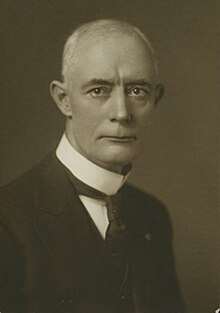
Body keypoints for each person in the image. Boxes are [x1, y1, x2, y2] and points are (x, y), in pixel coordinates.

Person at [0, 19, 186, 313]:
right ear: (64, 100)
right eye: (99, 90)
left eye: (138, 91)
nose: (122, 113)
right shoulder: (7, 221)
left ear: (156, 99)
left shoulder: (152, 215)